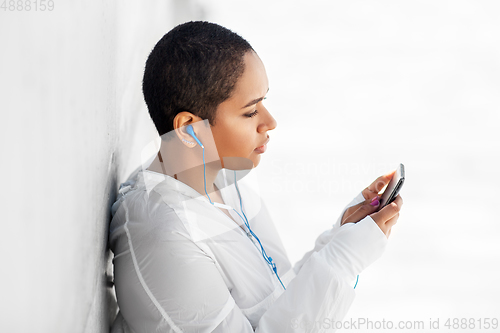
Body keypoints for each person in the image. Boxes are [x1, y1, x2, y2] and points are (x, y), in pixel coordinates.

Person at [108, 21, 403, 333]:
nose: (271, 122)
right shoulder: (163, 231)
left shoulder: (225, 182)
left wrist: (339, 236)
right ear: (189, 129)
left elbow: (277, 301)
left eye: (264, 102)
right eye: (250, 112)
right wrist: (343, 260)